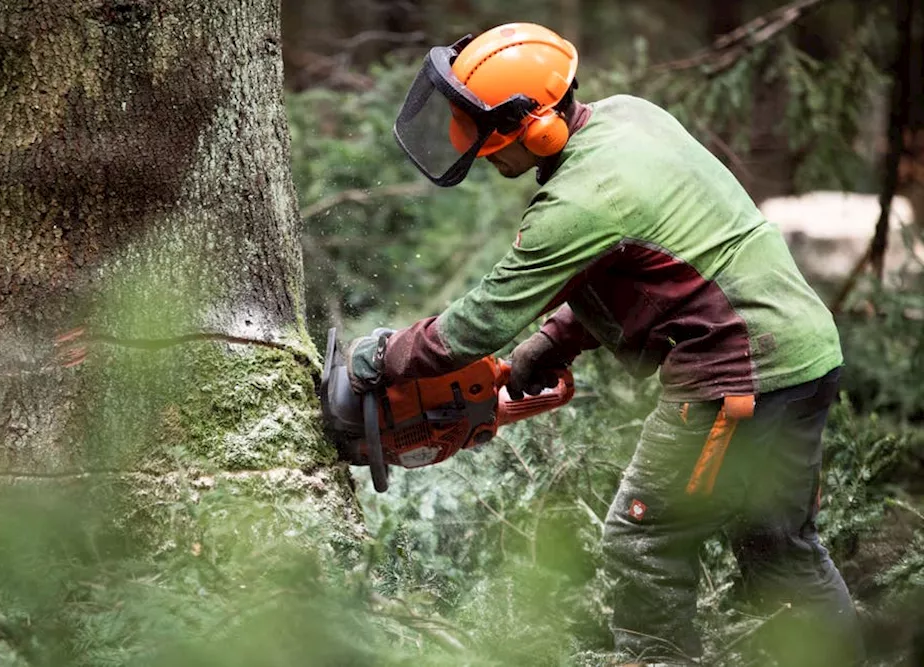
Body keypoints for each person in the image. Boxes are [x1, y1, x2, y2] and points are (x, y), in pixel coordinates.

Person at [346, 22, 864, 666]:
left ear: (536, 126)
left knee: (645, 537)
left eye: (482, 130)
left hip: (739, 378)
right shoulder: (628, 118)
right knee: (781, 546)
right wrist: (554, 343)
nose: (472, 148)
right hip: (807, 353)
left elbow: (474, 328)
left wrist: (388, 355)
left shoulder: (577, 204)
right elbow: (651, 259)